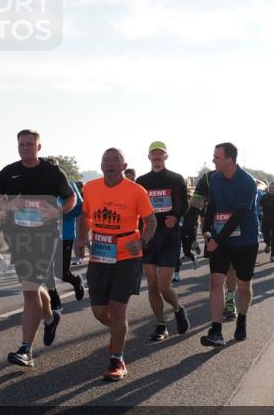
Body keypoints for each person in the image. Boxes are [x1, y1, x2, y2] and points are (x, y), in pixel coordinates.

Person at [0, 130, 76, 367]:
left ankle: (26, 349)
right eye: (21, 144)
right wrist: (7, 204)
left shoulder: (52, 172)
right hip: (18, 239)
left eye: (30, 144)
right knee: (32, 288)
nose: (25, 148)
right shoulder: (10, 171)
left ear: (39, 147)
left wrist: (58, 211)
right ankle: (50, 317)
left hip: (45, 238)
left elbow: (71, 199)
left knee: (29, 290)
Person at [78, 148, 156, 379]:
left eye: (115, 160)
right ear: (101, 165)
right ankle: (119, 331)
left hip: (127, 258)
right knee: (100, 312)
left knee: (117, 309)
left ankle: (117, 360)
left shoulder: (136, 191)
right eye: (106, 160)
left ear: (124, 166)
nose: (110, 164)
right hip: (100, 256)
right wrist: (82, 237)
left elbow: (150, 221)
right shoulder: (91, 188)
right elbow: (85, 215)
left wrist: (141, 241)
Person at [200, 142, 259, 347]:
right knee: (216, 282)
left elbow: (238, 216)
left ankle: (241, 319)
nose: (213, 160)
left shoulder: (247, 182)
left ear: (229, 160)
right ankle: (216, 331)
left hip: (245, 241)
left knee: (244, 286)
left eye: (217, 157)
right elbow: (212, 206)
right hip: (220, 240)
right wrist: (206, 230)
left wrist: (217, 240)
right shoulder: (215, 179)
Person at [136, 142, 190, 341]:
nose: (157, 157)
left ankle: (177, 308)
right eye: (154, 154)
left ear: (166, 157)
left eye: (161, 154)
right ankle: (160, 325)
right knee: (151, 285)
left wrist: (175, 217)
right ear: (149, 157)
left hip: (169, 236)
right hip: (149, 236)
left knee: (163, 286)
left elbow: (185, 204)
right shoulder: (142, 181)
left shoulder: (176, 179)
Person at [189, 166, 238, 319]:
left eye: (218, 158)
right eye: (215, 158)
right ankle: (220, 306)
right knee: (217, 272)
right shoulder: (208, 178)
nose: (216, 162)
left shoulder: (240, 176)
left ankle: (230, 299)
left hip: (235, 229)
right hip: (214, 230)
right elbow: (195, 202)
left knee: (231, 268)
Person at [44, 159, 85, 312]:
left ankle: (76, 281)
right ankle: (55, 300)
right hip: (45, 235)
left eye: (53, 168)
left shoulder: (68, 184)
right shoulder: (41, 187)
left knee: (61, 272)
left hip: (65, 234)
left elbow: (78, 209)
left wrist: (59, 212)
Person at [258, 181, 274, 262]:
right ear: (268, 188)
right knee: (266, 236)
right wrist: (261, 209)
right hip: (266, 219)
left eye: (273, 188)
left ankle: (272, 256)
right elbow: (260, 207)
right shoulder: (264, 197)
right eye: (270, 188)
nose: (271, 189)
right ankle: (267, 244)